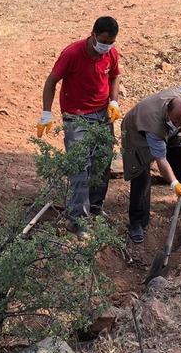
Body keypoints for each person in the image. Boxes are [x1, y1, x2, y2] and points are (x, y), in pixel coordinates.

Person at [38, 16, 122, 228]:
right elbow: (51, 81)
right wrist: (46, 113)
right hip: (76, 116)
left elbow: (114, 76)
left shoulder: (111, 53)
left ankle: (95, 208)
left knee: (102, 162)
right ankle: (77, 220)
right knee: (79, 166)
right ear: (93, 34)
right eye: (104, 41)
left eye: (111, 42)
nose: (107, 46)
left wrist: (114, 102)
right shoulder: (72, 53)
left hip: (103, 114)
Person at [121, 86, 181, 244]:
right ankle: (137, 223)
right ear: (167, 111)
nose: (177, 124)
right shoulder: (154, 126)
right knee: (140, 174)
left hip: (166, 132)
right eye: (174, 121)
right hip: (137, 133)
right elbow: (161, 160)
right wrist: (174, 185)